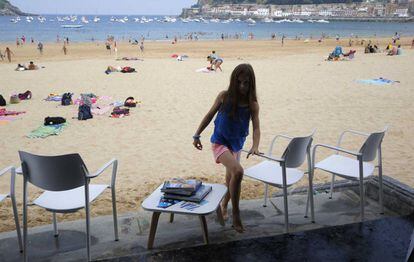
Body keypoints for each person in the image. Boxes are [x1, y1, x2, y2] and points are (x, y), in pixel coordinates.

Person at [193, 64, 261, 233]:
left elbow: (256, 128)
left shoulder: (252, 104)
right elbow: (209, 116)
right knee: (238, 171)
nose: (242, 86)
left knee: (232, 179)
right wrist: (197, 135)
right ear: (233, 81)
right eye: (239, 82)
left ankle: (224, 206)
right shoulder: (224, 97)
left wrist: (255, 146)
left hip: (237, 144)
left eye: (246, 83)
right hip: (219, 142)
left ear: (251, 83)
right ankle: (236, 214)